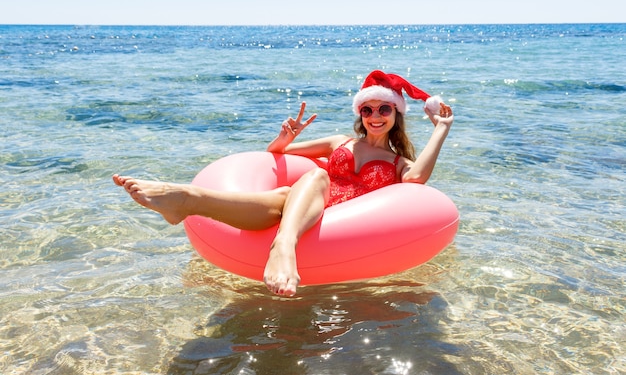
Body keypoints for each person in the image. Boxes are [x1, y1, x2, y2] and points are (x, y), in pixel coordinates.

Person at [113, 70, 454, 297]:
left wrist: (441, 127)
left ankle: (272, 240)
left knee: (308, 180)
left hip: (342, 222)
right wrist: (285, 135)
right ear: (359, 114)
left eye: (384, 109)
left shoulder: (399, 163)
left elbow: (417, 179)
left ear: (396, 115)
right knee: (301, 184)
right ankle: (188, 199)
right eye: (367, 109)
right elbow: (276, 154)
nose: (375, 116)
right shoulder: (340, 142)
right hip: (305, 203)